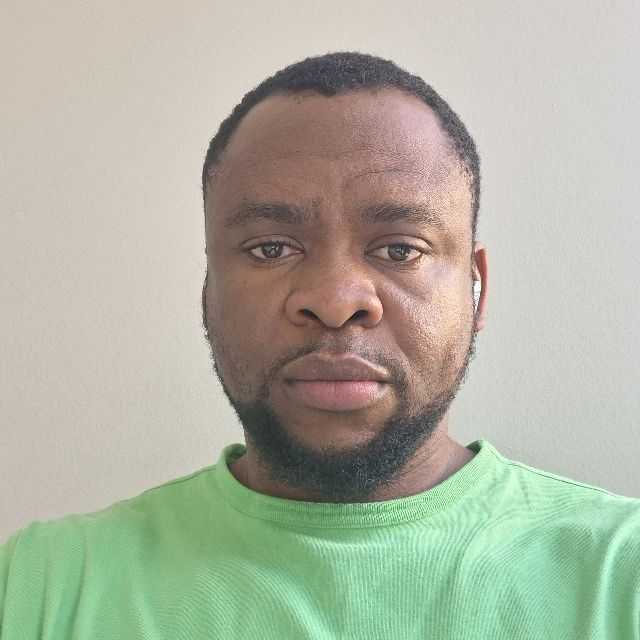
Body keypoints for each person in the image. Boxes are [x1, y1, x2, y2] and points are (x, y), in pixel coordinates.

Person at [1, 51, 638, 639]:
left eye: (400, 249)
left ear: (477, 290)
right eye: (270, 248)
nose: (335, 300)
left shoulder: (621, 574)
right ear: (208, 293)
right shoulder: (38, 585)